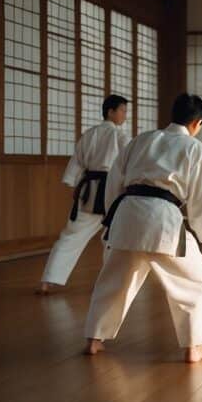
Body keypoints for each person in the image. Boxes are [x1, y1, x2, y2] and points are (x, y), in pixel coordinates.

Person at [82, 93, 202, 363]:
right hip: (163, 218)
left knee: (114, 279)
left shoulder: (141, 140)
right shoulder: (195, 149)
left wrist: (113, 214)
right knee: (195, 282)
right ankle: (195, 346)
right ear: (197, 123)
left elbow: (115, 179)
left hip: (127, 213)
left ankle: (94, 339)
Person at [37, 95, 130, 295]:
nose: (125, 115)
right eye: (122, 110)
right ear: (110, 112)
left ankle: (48, 280)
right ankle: (112, 284)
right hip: (111, 191)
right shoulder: (120, 137)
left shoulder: (89, 134)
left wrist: (74, 184)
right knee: (113, 238)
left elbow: (76, 163)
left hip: (88, 189)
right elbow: (128, 165)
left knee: (71, 236)